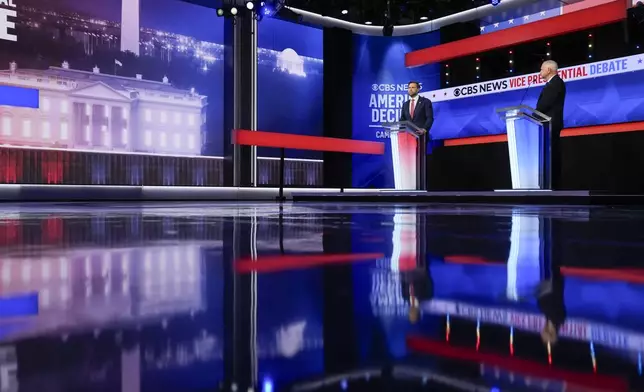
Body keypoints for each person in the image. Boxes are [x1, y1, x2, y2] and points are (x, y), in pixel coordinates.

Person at [536, 60, 566, 190]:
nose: (540, 72)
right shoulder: (552, 84)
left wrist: (535, 113)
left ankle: (553, 185)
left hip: (551, 123)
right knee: (549, 154)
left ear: (548, 70)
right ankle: (548, 184)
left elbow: (544, 105)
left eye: (542, 69)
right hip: (547, 123)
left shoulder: (556, 83)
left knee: (552, 154)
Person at [399, 81, 434, 190]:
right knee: (409, 163)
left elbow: (429, 118)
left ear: (418, 89)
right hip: (407, 139)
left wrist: (424, 129)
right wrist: (400, 131)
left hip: (420, 137)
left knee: (420, 163)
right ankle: (409, 186)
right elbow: (402, 120)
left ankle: (422, 187)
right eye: (409, 87)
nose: (410, 89)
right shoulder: (405, 104)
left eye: (413, 87)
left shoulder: (425, 102)